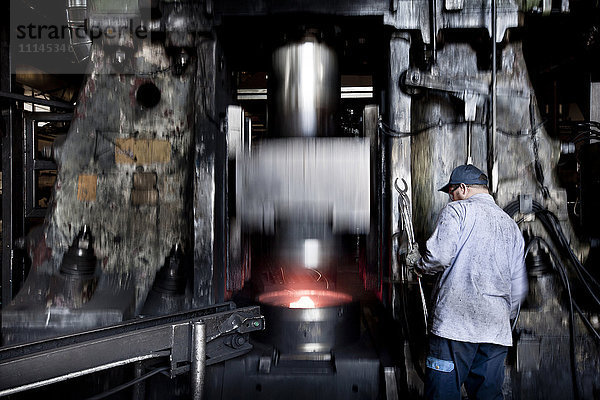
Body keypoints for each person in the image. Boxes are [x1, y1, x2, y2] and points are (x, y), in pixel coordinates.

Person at [405, 164, 528, 400]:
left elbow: (439, 256)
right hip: (495, 331)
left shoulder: (457, 211)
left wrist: (418, 265)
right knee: (488, 396)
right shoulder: (510, 225)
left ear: (462, 188)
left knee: (442, 395)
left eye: (451, 192)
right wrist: (500, 317)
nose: (451, 198)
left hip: (455, 326)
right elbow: (518, 288)